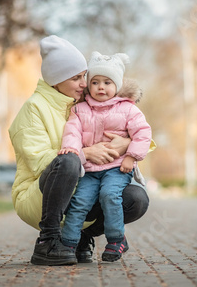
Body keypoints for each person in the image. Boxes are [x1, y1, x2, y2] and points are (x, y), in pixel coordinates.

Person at [8, 35, 152, 266]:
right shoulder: (33, 109)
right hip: (38, 195)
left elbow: (137, 130)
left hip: (83, 186)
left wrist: (126, 144)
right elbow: (40, 162)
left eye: (84, 76)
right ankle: (48, 240)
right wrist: (87, 153)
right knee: (69, 160)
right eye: (76, 78)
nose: (85, 83)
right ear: (57, 80)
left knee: (136, 199)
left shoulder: (85, 101)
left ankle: (81, 237)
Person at [59, 51, 152, 262]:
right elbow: (72, 132)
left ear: (117, 85)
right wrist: (72, 151)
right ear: (89, 85)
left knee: (110, 195)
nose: (101, 87)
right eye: (95, 82)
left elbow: (143, 133)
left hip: (116, 168)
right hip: (90, 170)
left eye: (107, 82)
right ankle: (68, 244)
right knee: (80, 202)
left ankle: (116, 240)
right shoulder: (80, 109)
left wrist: (132, 156)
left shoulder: (128, 109)